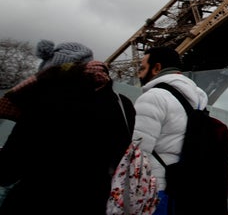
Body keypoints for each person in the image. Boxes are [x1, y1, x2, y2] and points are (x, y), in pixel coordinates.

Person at [0, 40, 134, 214]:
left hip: (35, 201)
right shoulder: (123, 105)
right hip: (94, 203)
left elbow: (9, 169)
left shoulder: (43, 100)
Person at [132, 45, 209, 215]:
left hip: (154, 189)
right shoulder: (198, 101)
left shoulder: (154, 97)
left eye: (143, 68)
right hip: (184, 188)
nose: (139, 74)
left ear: (157, 68)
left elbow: (137, 151)